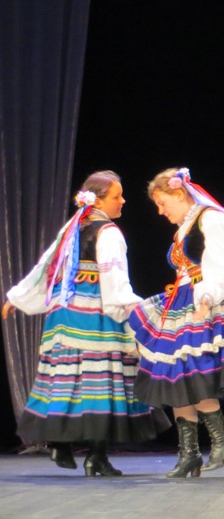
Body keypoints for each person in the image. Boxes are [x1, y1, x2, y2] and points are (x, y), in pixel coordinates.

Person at [3, 171, 166, 476]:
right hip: (96, 310)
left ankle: (60, 442)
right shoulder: (110, 232)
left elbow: (46, 267)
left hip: (64, 311)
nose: (123, 201)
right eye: (117, 196)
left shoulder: (73, 226)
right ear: (99, 201)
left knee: (66, 379)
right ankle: (96, 457)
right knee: (101, 382)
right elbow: (114, 279)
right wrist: (139, 310)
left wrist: (18, 296)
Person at [128, 167, 224, 478]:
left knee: (193, 370)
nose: (161, 211)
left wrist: (205, 298)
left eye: (163, 203)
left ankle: (222, 440)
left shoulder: (211, 218)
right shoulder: (184, 228)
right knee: (175, 374)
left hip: (207, 298)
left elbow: (221, 261)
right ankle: (189, 454)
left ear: (180, 194)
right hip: (182, 300)